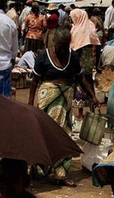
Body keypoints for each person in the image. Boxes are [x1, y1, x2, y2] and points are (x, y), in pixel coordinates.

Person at [29, 29, 98, 187]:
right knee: (45, 134)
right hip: (48, 99)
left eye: (66, 46)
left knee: (64, 134)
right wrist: (30, 103)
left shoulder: (72, 56)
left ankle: (59, 173)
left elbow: (80, 77)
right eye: (60, 46)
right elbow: (34, 81)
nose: (63, 50)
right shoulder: (44, 56)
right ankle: (39, 169)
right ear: (55, 43)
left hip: (65, 101)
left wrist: (92, 95)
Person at [69, 9, 100, 118]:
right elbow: (97, 44)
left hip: (80, 61)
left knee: (80, 84)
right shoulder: (90, 25)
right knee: (89, 83)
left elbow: (76, 48)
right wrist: (96, 63)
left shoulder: (77, 29)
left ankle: (80, 112)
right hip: (90, 60)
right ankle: (92, 109)